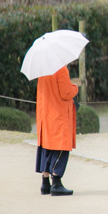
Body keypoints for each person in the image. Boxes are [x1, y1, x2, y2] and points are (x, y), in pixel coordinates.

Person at [35, 64, 81, 196]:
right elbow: (66, 93)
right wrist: (75, 87)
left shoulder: (42, 69)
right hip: (58, 113)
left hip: (45, 114)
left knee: (46, 147)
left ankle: (45, 182)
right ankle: (56, 182)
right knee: (61, 147)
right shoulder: (60, 69)